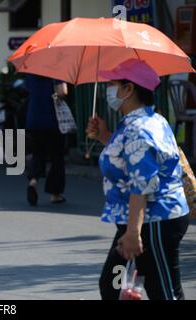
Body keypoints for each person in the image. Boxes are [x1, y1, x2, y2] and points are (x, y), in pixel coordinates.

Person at [86, 59, 190, 300]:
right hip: (141, 222)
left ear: (129, 89)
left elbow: (140, 186)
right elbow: (129, 159)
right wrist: (104, 136)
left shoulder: (139, 129)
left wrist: (134, 233)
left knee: (164, 292)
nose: (109, 90)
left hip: (154, 222)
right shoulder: (145, 121)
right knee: (111, 284)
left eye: (113, 84)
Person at [25, 74, 68, 206]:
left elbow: (28, 89)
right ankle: (55, 194)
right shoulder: (57, 70)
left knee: (38, 153)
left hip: (34, 118)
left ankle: (33, 181)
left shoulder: (32, 71)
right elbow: (63, 92)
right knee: (57, 157)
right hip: (54, 120)